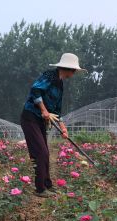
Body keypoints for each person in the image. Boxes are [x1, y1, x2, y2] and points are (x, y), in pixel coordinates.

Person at [20, 53, 85, 197]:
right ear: (66, 68)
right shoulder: (49, 76)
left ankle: (47, 185)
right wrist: (43, 110)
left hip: (40, 120)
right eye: (73, 70)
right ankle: (40, 189)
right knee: (40, 152)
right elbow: (35, 90)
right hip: (30, 117)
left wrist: (63, 128)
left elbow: (56, 110)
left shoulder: (60, 84)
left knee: (45, 153)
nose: (73, 74)